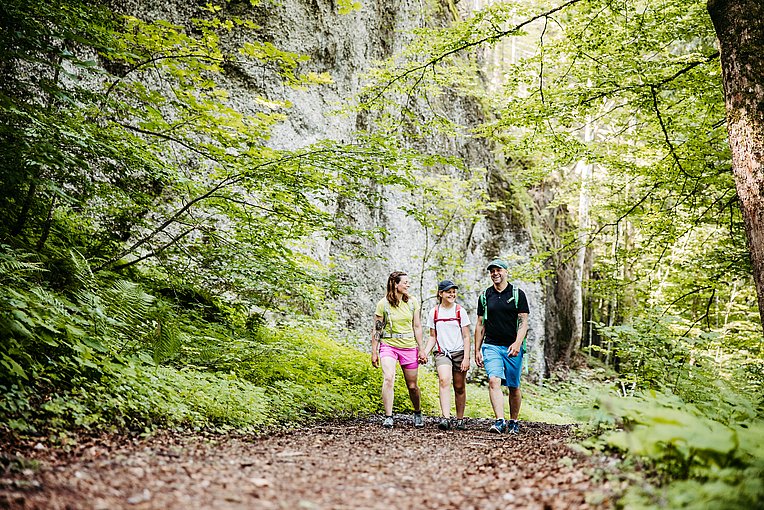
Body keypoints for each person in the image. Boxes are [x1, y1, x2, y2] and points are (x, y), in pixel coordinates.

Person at [474, 259, 530, 434]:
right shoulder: (485, 296)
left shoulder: (517, 294)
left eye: (498, 270)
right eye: (492, 271)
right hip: (491, 345)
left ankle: (514, 421)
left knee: (513, 386)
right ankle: (499, 420)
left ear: (506, 272)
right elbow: (480, 324)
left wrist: (517, 343)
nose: (495, 273)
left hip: (512, 347)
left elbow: (524, 322)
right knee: (494, 380)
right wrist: (476, 349)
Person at [371, 271, 425, 429]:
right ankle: (388, 416)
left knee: (412, 386)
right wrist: (374, 351)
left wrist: (421, 349)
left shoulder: (412, 302)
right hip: (389, 345)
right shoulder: (383, 304)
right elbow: (377, 328)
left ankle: (417, 412)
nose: (408, 285)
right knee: (388, 378)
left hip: (408, 347)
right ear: (395, 284)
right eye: (405, 282)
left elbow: (417, 326)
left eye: (409, 282)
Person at [422, 280, 471, 431]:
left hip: (459, 352)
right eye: (448, 292)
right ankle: (445, 418)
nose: (452, 294)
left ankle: (460, 419)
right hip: (442, 352)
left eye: (454, 291)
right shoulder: (434, 312)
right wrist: (425, 351)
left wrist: (466, 357)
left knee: (459, 386)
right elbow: (432, 336)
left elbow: (466, 336)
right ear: (441, 293)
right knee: (444, 380)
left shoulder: (459, 311)